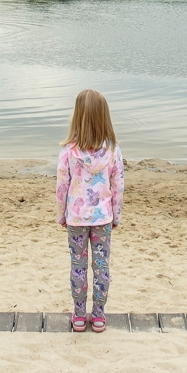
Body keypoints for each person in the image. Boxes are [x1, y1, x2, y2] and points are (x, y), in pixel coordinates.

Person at [55, 88, 124, 333]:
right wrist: (116, 215)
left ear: (77, 116)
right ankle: (98, 315)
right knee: (102, 266)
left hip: (76, 218)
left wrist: (61, 214)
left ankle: (78, 315)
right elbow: (118, 186)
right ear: (104, 117)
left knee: (78, 265)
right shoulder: (113, 150)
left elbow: (62, 186)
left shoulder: (68, 152)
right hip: (103, 218)